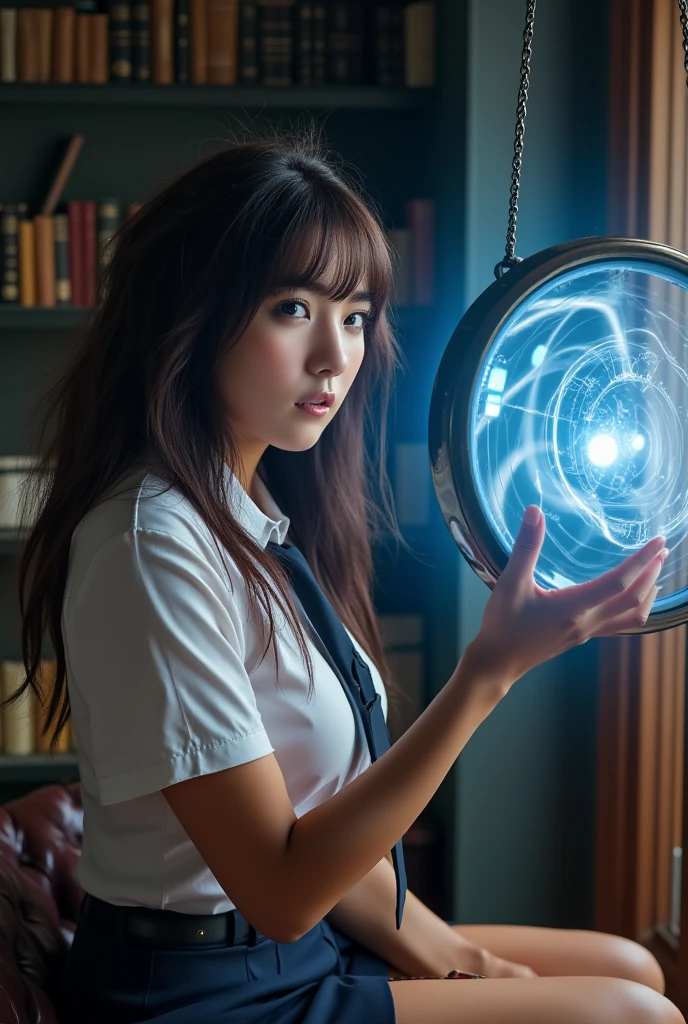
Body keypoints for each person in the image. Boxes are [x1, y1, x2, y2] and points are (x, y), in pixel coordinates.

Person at [8, 124, 683, 1024]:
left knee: (630, 965)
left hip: (294, 945)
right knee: (633, 1015)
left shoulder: (248, 522)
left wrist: (464, 959)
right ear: (192, 314)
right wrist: (488, 674)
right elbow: (280, 887)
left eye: (355, 315)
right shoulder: (150, 544)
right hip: (198, 995)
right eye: (293, 308)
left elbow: (317, 836)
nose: (336, 357)